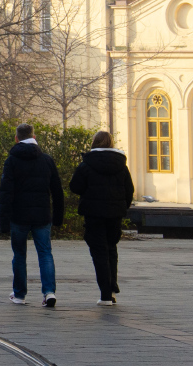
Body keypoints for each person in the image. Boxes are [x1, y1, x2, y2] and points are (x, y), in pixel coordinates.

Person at [0, 123, 64, 307]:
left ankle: (19, 294)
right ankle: (49, 292)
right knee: (45, 253)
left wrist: (3, 221)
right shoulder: (47, 160)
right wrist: (58, 217)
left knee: (19, 254)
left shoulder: (11, 161)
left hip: (19, 216)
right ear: (34, 137)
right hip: (42, 215)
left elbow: (5, 193)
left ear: (16, 138)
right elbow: (57, 191)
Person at [69, 130, 134, 305]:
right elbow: (129, 190)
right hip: (115, 214)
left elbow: (75, 186)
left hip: (94, 214)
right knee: (111, 248)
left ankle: (105, 294)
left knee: (99, 252)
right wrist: (121, 207)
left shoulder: (87, 164)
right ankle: (112, 285)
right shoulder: (121, 165)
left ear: (94, 143)